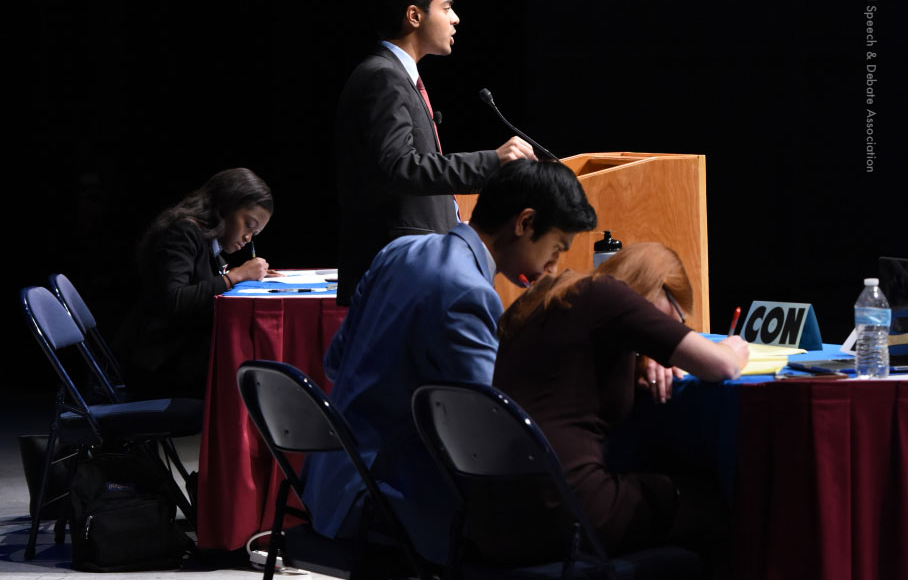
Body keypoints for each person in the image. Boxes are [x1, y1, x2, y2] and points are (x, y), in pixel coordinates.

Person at [303, 159, 597, 563]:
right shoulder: (467, 292)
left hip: (328, 483)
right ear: (525, 223)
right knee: (570, 525)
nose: (553, 267)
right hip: (384, 498)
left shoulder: (399, 250)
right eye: (557, 248)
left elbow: (335, 361)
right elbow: (492, 431)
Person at [484, 242, 750, 566]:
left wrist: (651, 355)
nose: (674, 328)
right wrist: (733, 347)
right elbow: (723, 366)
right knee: (713, 502)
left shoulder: (547, 297)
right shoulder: (608, 295)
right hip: (569, 506)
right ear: (659, 289)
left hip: (499, 511)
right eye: (678, 318)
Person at [335, 0, 536, 305]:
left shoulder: (394, 77)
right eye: (446, 7)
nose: (456, 18)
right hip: (399, 276)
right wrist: (493, 161)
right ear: (414, 15)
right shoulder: (383, 78)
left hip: (413, 271)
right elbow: (400, 167)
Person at [115, 168, 274, 398]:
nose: (248, 238)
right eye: (249, 225)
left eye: (255, 233)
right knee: (247, 369)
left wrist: (240, 274)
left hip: (180, 356)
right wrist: (235, 277)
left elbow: (207, 278)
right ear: (227, 205)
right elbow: (173, 298)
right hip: (158, 365)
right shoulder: (183, 231)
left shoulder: (206, 239)